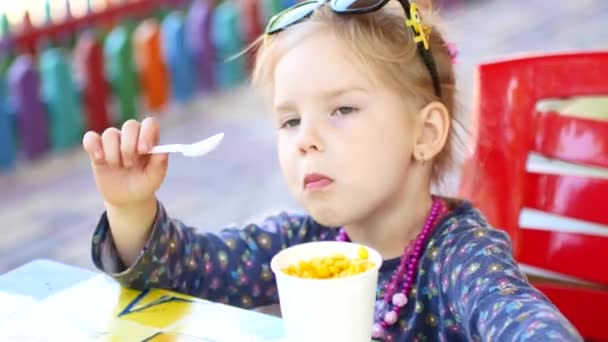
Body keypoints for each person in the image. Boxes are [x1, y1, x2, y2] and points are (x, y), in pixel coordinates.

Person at [82, 1, 582, 340]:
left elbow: (518, 317)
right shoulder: (303, 246)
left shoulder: (458, 255)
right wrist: (131, 207)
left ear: (425, 133)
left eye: (342, 110)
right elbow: (188, 271)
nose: (306, 139)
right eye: (290, 119)